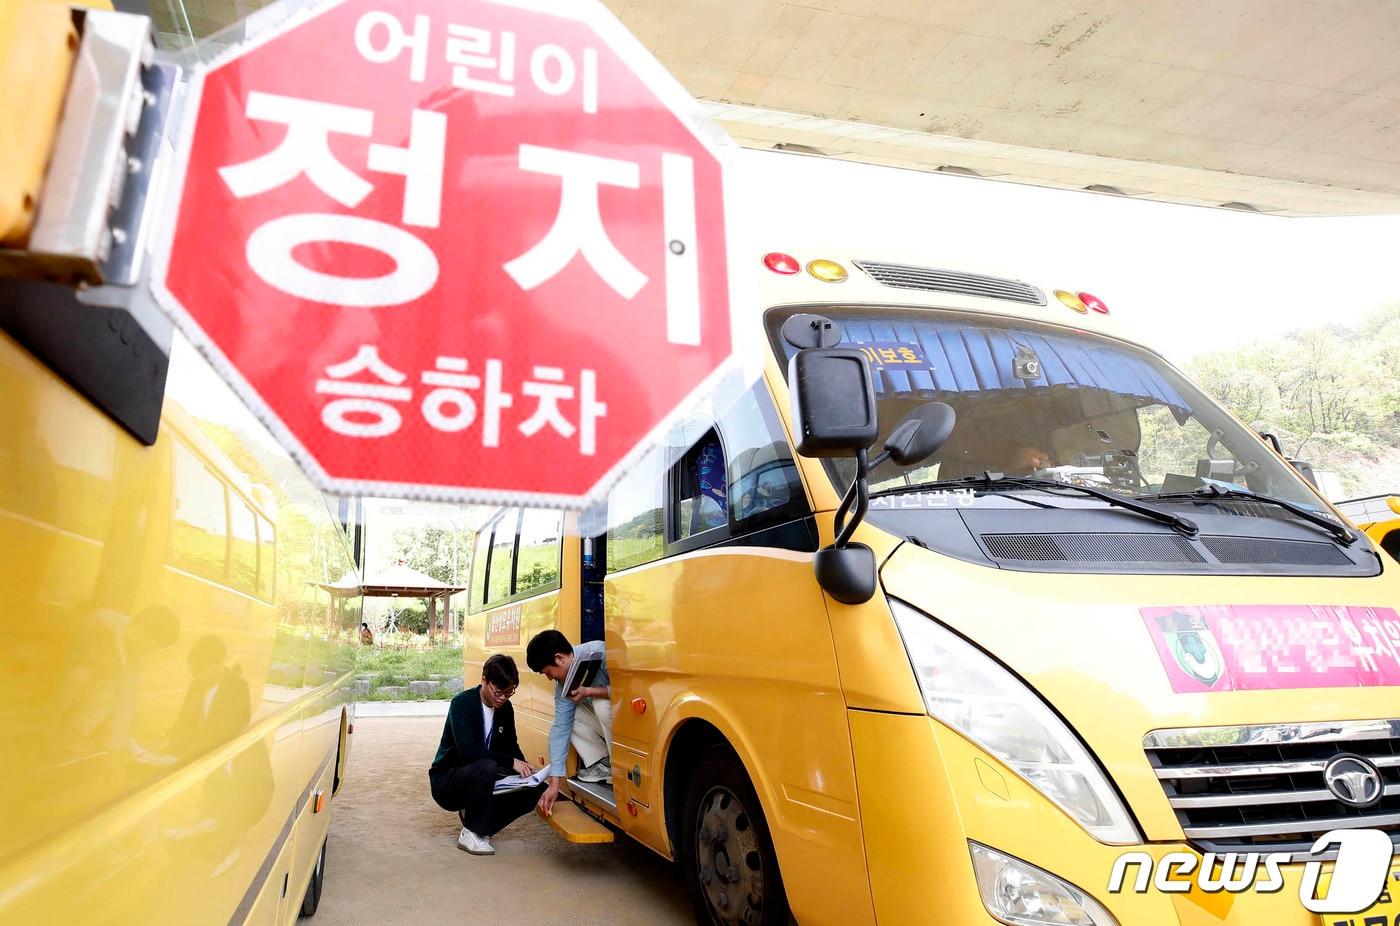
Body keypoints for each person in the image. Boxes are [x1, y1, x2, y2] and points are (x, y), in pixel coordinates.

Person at [428, 654, 543, 856]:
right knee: (487, 765)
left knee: (535, 789)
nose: (503, 698)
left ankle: (481, 829)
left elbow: (510, 745)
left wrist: (525, 768)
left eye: (509, 693)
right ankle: (471, 832)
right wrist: (510, 762)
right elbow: (469, 751)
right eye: (498, 692)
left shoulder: (505, 708)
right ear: (484, 680)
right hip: (448, 780)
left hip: (485, 776)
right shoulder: (461, 704)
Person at [525, 630, 611, 815]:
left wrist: (590, 692)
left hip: (632, 724)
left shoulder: (600, 652)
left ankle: (619, 765)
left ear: (559, 658)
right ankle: (604, 764)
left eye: (548, 672)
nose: (550, 678)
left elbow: (631, 691)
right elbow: (560, 728)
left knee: (601, 704)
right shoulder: (564, 684)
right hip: (609, 726)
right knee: (568, 714)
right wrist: (554, 784)